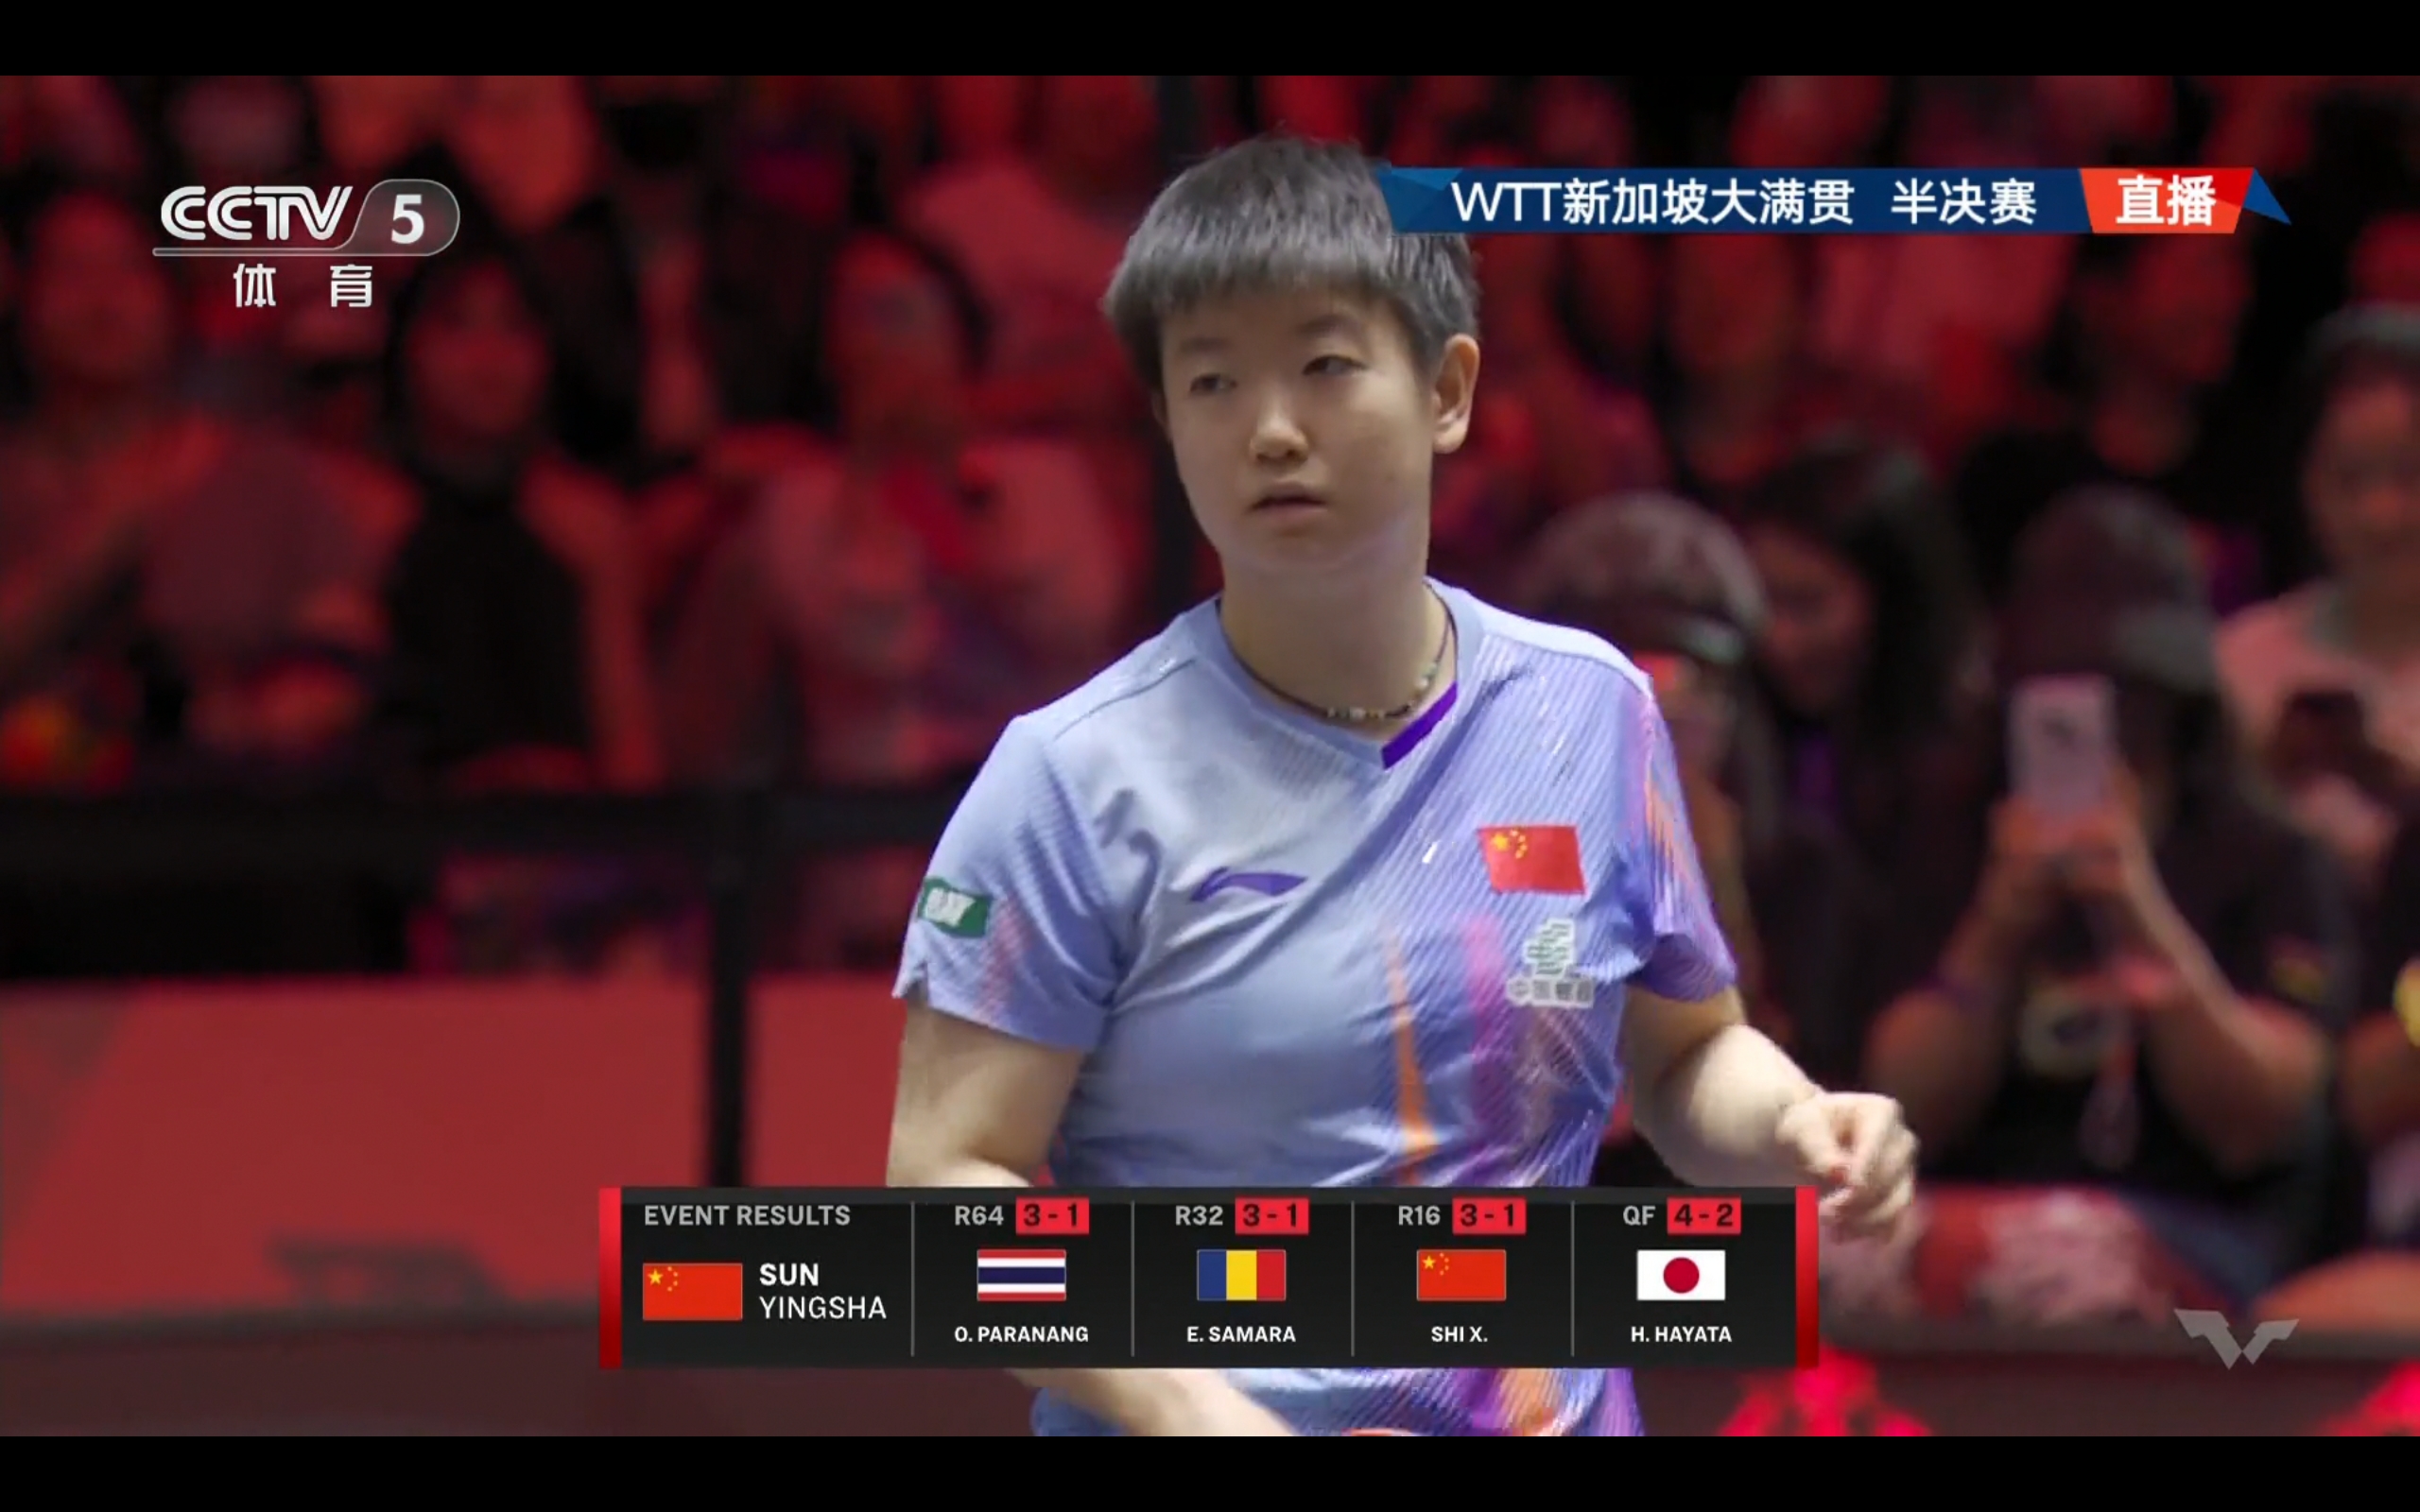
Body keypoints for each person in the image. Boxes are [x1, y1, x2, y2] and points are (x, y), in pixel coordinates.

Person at [884, 135, 1916, 1438]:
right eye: (1211, 381)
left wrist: (1799, 1121)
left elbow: (1684, 1054)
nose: (1270, 431)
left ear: (1446, 389)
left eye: (1324, 366)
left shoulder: (1587, 712)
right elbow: (946, 1183)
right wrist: (1193, 1411)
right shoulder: (1070, 778)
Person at [1861, 489, 2359, 1322]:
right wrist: (1995, 932)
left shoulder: (2271, 857)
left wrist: (2136, 910)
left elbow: (2260, 1122)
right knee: (1685, 1262)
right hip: (1961, 1208)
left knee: (2054, 1262)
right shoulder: (1947, 835)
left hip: (2196, 1224)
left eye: (2127, 688)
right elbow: (1902, 1111)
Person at [2217, 309, 2420, 894]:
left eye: (2409, 475)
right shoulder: (2240, 664)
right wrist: (2257, 787)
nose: (2380, 515)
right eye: (2349, 480)